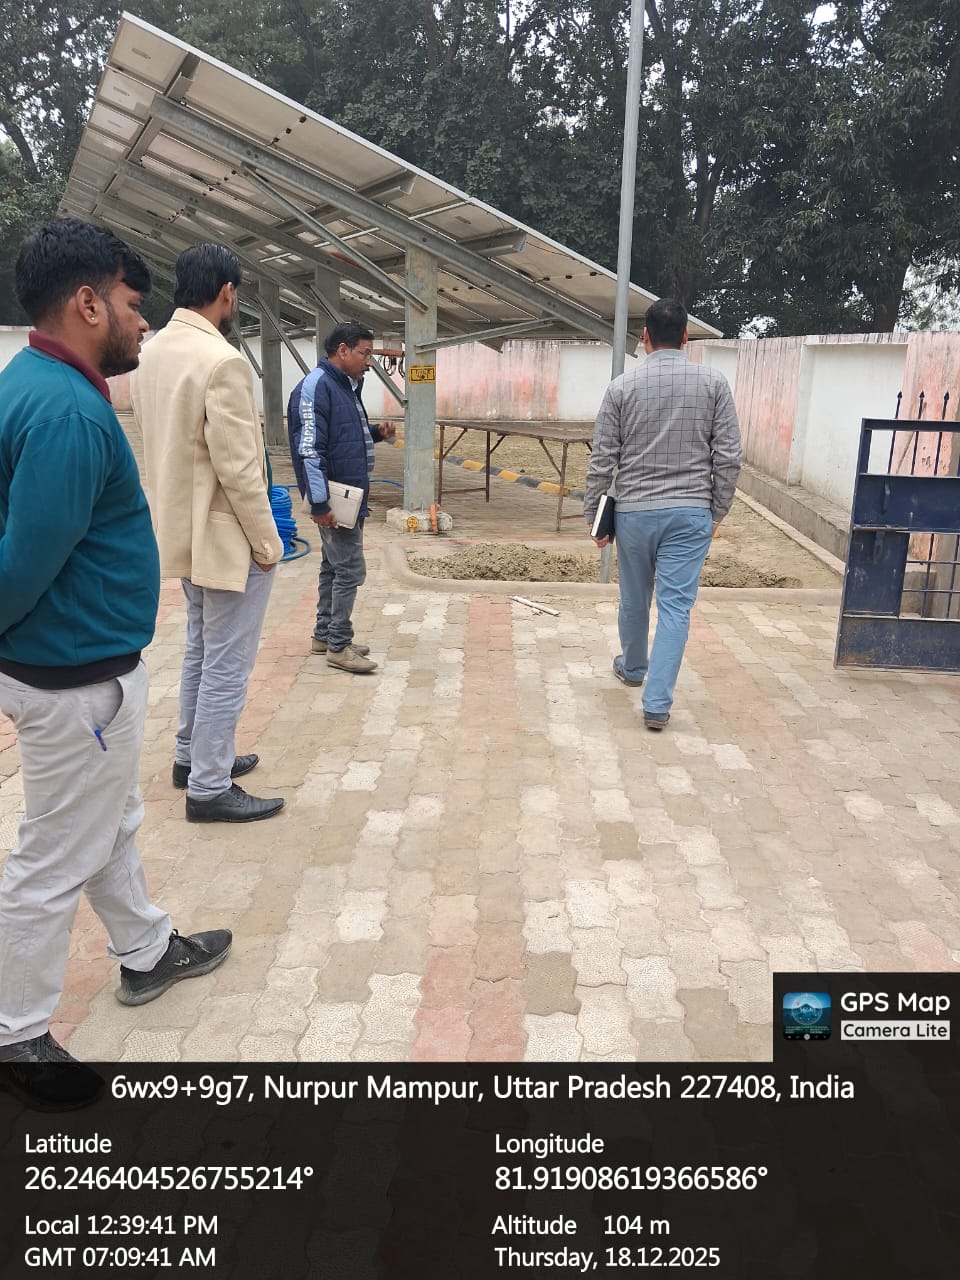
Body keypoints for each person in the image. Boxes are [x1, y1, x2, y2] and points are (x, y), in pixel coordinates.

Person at [0, 218, 232, 1073]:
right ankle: (17, 1032)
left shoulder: (29, 380)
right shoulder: (67, 411)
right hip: (73, 680)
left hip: (72, 668)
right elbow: (24, 563)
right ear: (88, 304)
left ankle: (146, 950)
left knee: (110, 822)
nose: (143, 323)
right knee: (55, 855)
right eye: (134, 305)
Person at [131, 244, 285, 824]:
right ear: (226, 291)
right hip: (225, 540)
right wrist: (267, 545)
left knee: (201, 647)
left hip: (180, 532)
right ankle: (210, 786)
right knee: (227, 663)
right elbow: (240, 469)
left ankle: (191, 757)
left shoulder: (150, 353)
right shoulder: (223, 361)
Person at [584, 298, 742, 731]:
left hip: (634, 514)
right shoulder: (714, 384)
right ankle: (656, 704)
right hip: (690, 514)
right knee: (676, 608)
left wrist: (594, 516)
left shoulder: (621, 388)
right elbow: (729, 457)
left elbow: (602, 459)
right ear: (686, 336)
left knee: (634, 597)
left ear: (645, 337)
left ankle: (633, 668)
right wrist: (717, 510)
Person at [287, 322, 396, 674]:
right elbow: (310, 450)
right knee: (351, 569)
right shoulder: (316, 387)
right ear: (343, 350)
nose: (369, 361)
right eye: (365, 353)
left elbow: (345, 436)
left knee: (333, 566)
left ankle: (324, 635)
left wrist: (376, 433)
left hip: (349, 496)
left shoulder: (346, 386)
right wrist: (320, 504)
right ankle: (338, 645)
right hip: (335, 500)